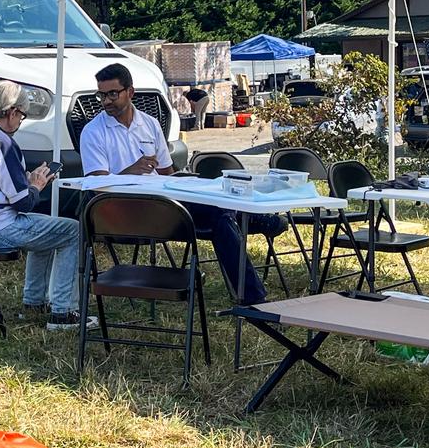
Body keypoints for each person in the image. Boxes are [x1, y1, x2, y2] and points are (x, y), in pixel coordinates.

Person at [80, 63, 284, 305]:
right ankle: (258, 230)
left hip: (165, 202)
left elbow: (167, 172)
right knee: (221, 216)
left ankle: (251, 295)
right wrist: (130, 172)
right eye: (101, 95)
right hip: (128, 212)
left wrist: (186, 180)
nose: (105, 101)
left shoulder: (150, 124)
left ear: (130, 92)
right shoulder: (93, 132)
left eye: (112, 94)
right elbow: (96, 185)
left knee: (220, 206)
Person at [0, 80, 96, 330]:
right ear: (11, 112)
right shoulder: (3, 143)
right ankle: (63, 312)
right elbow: (23, 203)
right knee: (72, 231)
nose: (20, 121)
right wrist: (36, 185)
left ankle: (34, 302)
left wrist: (26, 181)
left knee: (50, 231)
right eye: (22, 115)